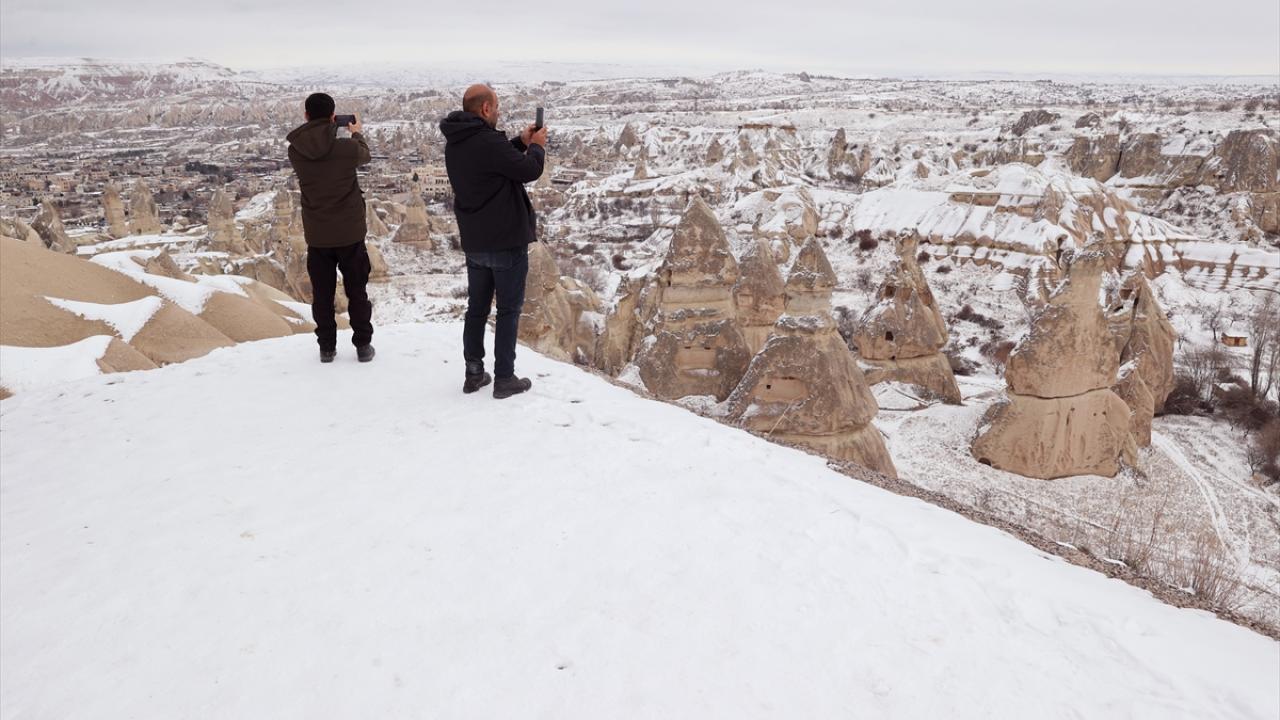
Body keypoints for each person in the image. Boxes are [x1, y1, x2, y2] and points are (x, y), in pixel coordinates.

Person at [439, 84, 547, 398]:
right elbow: (528, 170)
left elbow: (493, 161)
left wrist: (520, 141)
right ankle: (504, 379)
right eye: (496, 106)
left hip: (475, 240)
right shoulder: (487, 141)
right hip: (505, 240)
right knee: (508, 311)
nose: (498, 111)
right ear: (486, 108)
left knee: (476, 309)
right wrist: (537, 146)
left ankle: (474, 374)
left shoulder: (457, 142)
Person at [286, 92, 375, 364]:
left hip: (318, 233)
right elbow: (365, 156)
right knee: (356, 290)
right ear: (333, 116)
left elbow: (320, 152)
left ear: (306, 115)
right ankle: (362, 345)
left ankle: (326, 347)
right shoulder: (345, 147)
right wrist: (355, 132)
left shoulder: (295, 150)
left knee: (322, 294)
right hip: (350, 231)